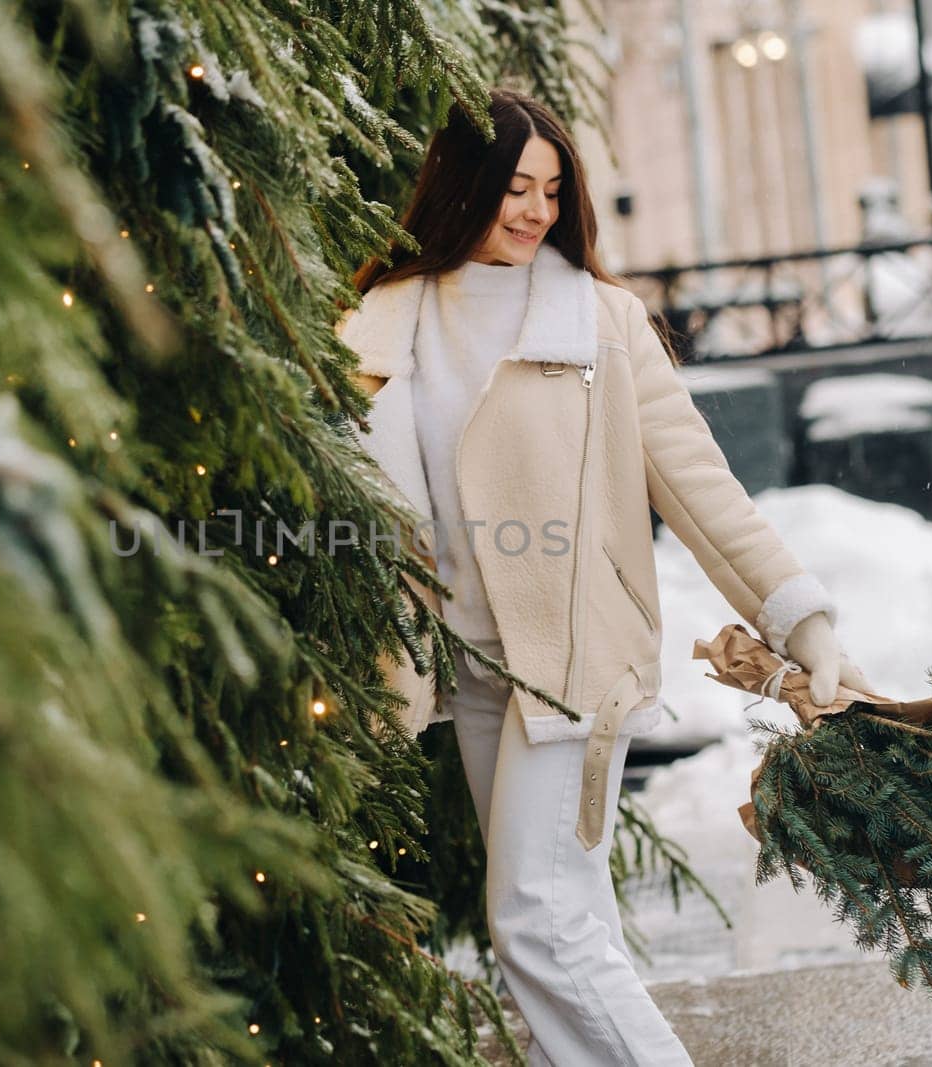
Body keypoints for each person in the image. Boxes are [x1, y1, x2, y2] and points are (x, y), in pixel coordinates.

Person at [337, 87, 870, 1065]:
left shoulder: (599, 322)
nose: (534, 210)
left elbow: (701, 488)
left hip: (577, 664)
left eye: (550, 188)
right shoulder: (384, 320)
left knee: (538, 919)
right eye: (512, 187)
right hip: (469, 663)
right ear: (460, 188)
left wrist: (797, 615)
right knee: (567, 919)